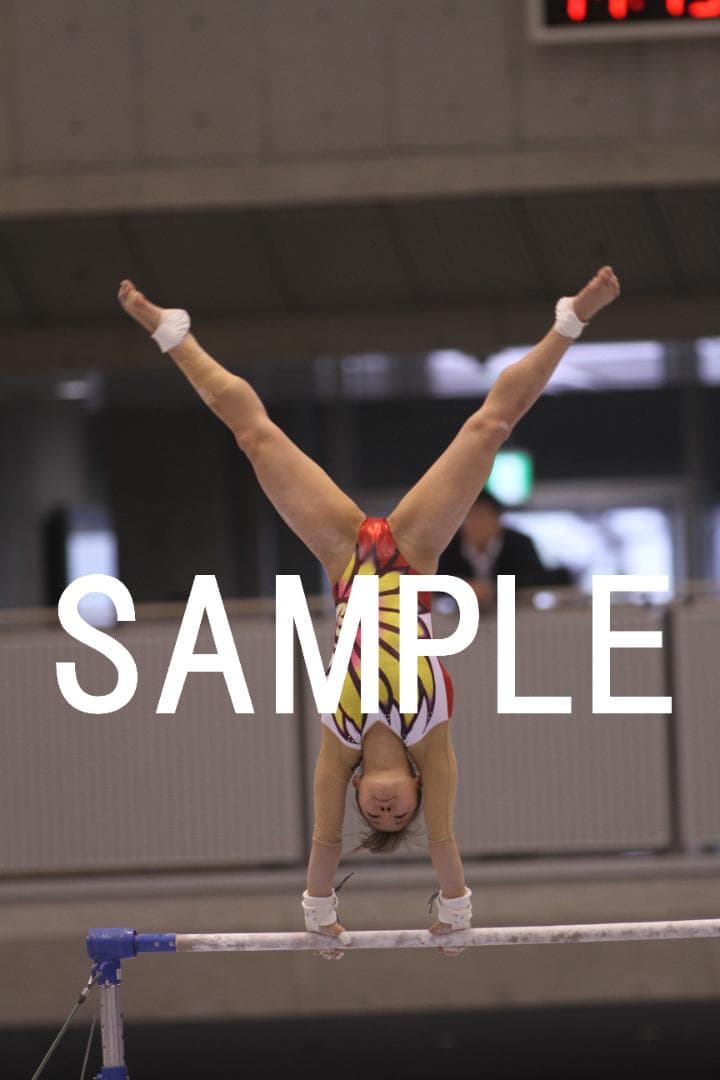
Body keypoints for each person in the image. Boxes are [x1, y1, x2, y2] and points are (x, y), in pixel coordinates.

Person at [117, 265, 620, 959]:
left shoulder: (339, 741)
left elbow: (324, 842)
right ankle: (570, 321)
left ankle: (175, 335)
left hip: (345, 561)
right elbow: (444, 839)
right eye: (398, 814)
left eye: (372, 814)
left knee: (255, 437)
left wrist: (320, 916)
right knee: (488, 428)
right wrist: (456, 911)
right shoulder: (432, 739)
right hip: (413, 555)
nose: (385, 811)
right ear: (415, 788)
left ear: (356, 788)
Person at [439, 490, 572, 611]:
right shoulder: (447, 546)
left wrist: (494, 588)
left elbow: (536, 578)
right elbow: (436, 581)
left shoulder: (519, 544)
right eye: (468, 518)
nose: (475, 524)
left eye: (481, 516)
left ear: (497, 520)